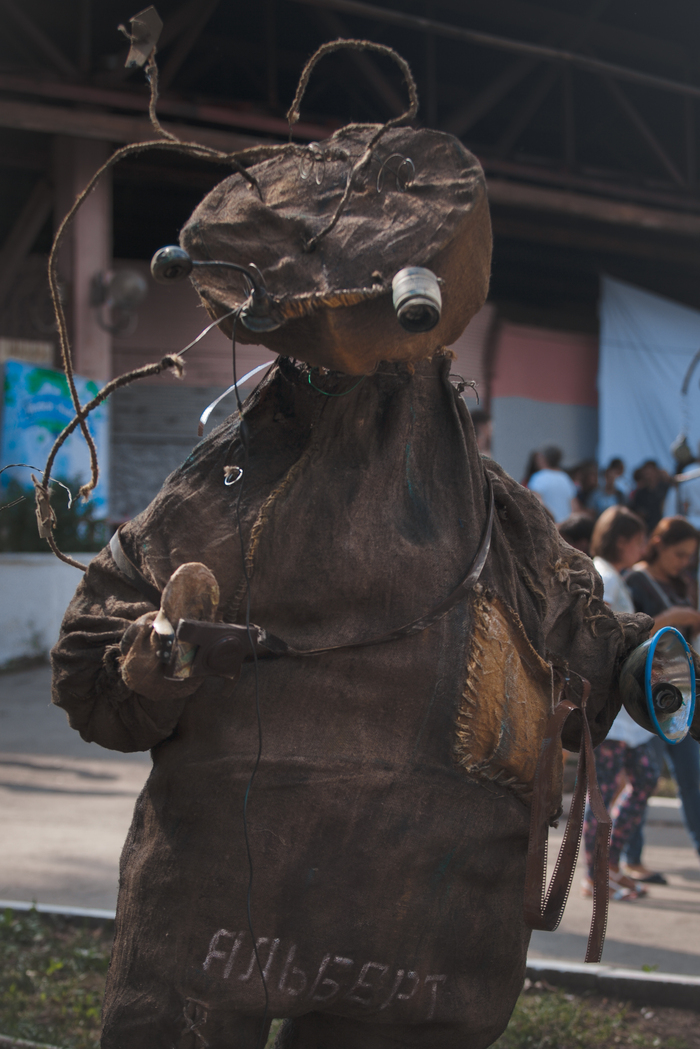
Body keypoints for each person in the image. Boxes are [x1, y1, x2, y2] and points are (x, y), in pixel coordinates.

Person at [582, 507, 659, 900]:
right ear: (624, 541)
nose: (644, 548)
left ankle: (608, 865)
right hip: (610, 710)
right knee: (605, 790)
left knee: (642, 777)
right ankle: (596, 875)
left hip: (622, 713)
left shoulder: (612, 576)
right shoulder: (604, 578)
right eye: (640, 540)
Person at [623, 517, 700, 873]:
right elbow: (627, 631)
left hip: (681, 694)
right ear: (658, 545)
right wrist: (670, 617)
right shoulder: (634, 579)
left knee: (691, 778)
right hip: (643, 697)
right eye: (678, 553)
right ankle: (631, 858)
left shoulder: (684, 583)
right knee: (644, 779)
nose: (683, 561)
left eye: (690, 556)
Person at [527, 446, 580, 523]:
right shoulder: (565, 478)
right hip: (565, 528)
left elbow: (536, 502)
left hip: (548, 526)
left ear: (543, 459)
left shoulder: (538, 477)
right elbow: (575, 507)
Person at [629, 460, 672, 533]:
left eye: (651, 472)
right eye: (646, 473)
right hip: (647, 530)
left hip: (665, 528)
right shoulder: (640, 493)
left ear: (656, 472)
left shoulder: (667, 489)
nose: (649, 475)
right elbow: (636, 511)